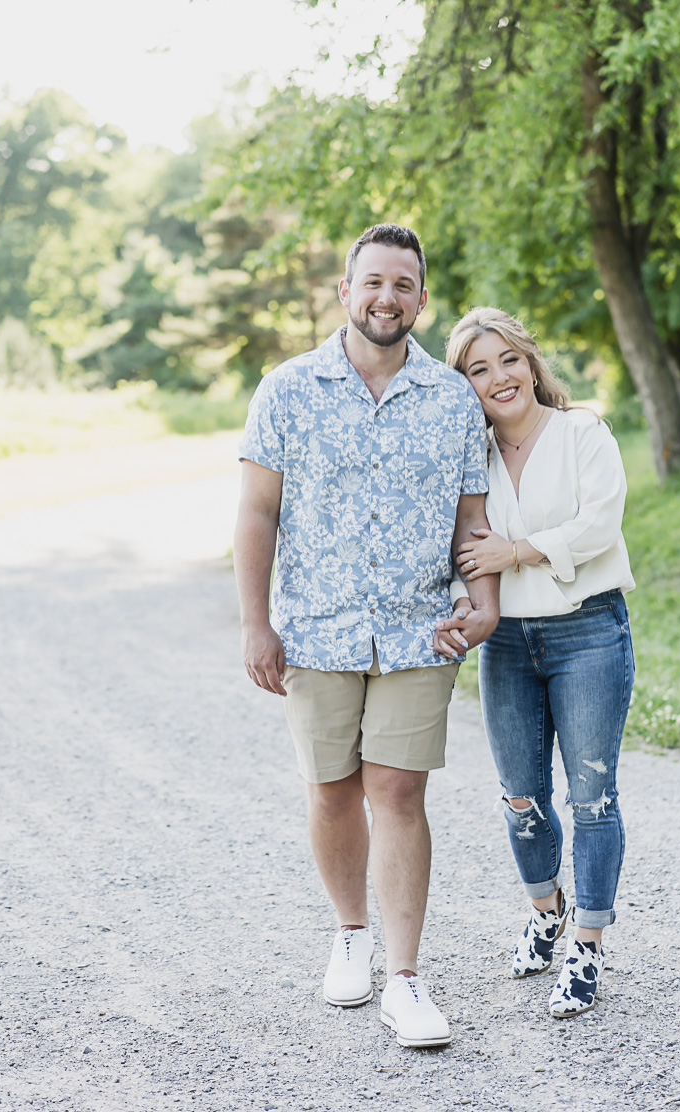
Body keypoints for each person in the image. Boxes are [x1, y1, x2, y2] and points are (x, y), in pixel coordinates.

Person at [235, 225, 498, 1047]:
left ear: (422, 298)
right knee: (332, 790)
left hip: (422, 633)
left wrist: (481, 601)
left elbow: (472, 519)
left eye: (404, 285)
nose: (387, 297)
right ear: (346, 292)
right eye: (373, 282)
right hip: (316, 629)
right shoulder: (286, 389)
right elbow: (257, 511)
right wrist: (256, 623)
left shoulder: (453, 400)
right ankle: (351, 931)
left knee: (399, 794)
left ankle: (407, 980)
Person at [440, 307, 635, 1019]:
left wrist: (514, 552)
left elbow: (598, 526)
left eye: (507, 360)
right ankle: (545, 912)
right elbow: (457, 545)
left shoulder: (582, 432)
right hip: (508, 645)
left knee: (593, 800)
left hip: (588, 632)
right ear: (464, 386)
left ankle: (586, 947)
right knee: (520, 797)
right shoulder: (472, 461)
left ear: (530, 361)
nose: (498, 378)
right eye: (477, 369)